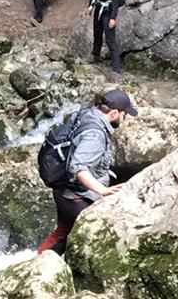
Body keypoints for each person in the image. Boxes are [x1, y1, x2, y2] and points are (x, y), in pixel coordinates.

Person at [38, 88, 137, 254]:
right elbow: (77, 167)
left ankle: (36, 266)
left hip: (63, 189)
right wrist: (103, 190)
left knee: (62, 235)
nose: (125, 118)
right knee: (101, 239)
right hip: (77, 196)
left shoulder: (87, 114)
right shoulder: (95, 134)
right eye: (124, 114)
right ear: (113, 113)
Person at [88, 0, 127, 77]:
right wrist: (90, 6)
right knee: (97, 33)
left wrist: (113, 18)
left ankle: (116, 69)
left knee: (110, 39)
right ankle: (95, 56)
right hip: (98, 7)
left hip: (108, 11)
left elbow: (115, 0)